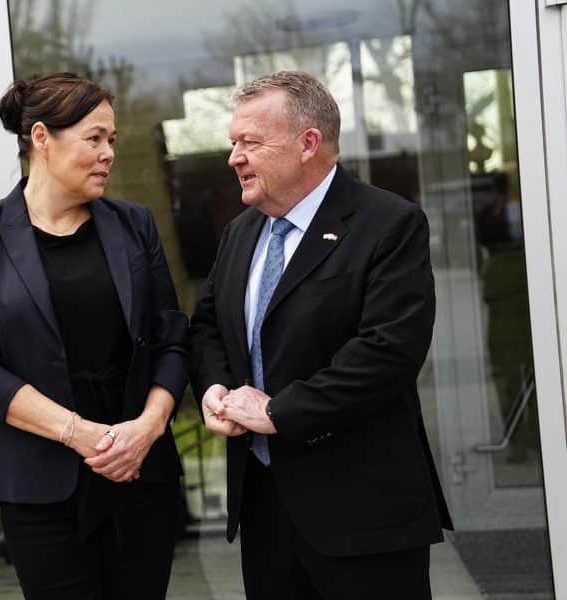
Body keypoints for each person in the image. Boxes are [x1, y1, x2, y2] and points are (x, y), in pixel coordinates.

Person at [190, 71, 453, 599]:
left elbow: (387, 352)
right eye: (232, 143)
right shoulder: (241, 232)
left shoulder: (389, 224)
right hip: (265, 513)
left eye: (250, 142)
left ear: (308, 143)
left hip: (364, 514)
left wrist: (275, 413)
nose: (234, 158)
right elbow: (207, 327)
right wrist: (215, 390)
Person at [0, 72, 188, 599]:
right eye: (94, 138)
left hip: (139, 471)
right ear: (41, 139)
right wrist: (82, 435)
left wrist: (147, 428)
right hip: (39, 484)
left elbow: (171, 338)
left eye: (112, 141)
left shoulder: (134, 224)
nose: (108, 154)